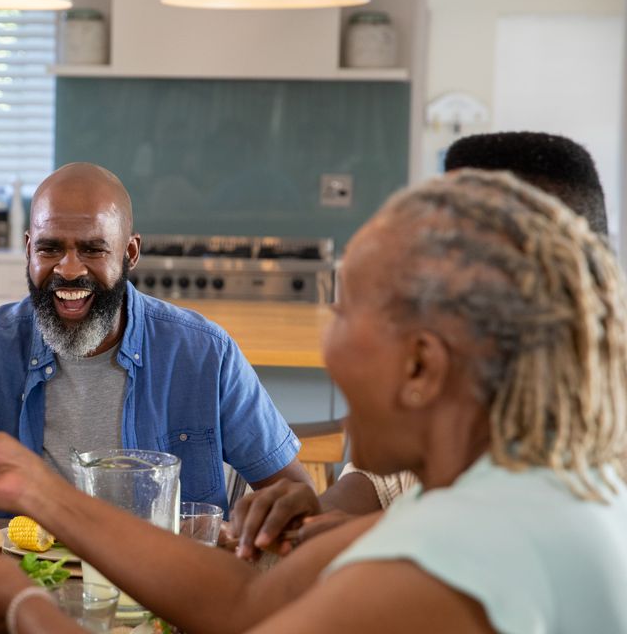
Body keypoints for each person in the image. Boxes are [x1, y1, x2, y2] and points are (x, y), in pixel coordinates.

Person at [0, 169, 627, 633]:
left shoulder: (450, 564)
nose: (323, 342)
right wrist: (32, 487)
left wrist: (18, 603)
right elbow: (240, 602)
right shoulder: (510, 500)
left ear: (422, 366)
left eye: (344, 310)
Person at [227, 130, 613, 560]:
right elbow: (386, 488)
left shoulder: (557, 484)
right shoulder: (467, 388)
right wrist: (321, 518)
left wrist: (371, 536)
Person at [0, 162, 311, 516]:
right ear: (28, 249)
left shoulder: (204, 353)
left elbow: (290, 489)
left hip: (158, 587)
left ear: (130, 252)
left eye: (93, 249)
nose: (69, 269)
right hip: (9, 580)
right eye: (50, 248)